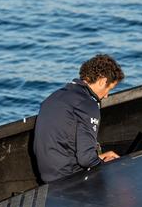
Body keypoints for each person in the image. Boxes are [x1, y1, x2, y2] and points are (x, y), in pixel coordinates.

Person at [33, 54, 125, 182]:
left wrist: (99, 157)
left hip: (48, 175)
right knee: (120, 169)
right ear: (102, 81)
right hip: (69, 180)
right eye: (109, 89)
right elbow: (86, 159)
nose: (106, 96)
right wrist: (106, 165)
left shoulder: (54, 97)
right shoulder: (87, 104)